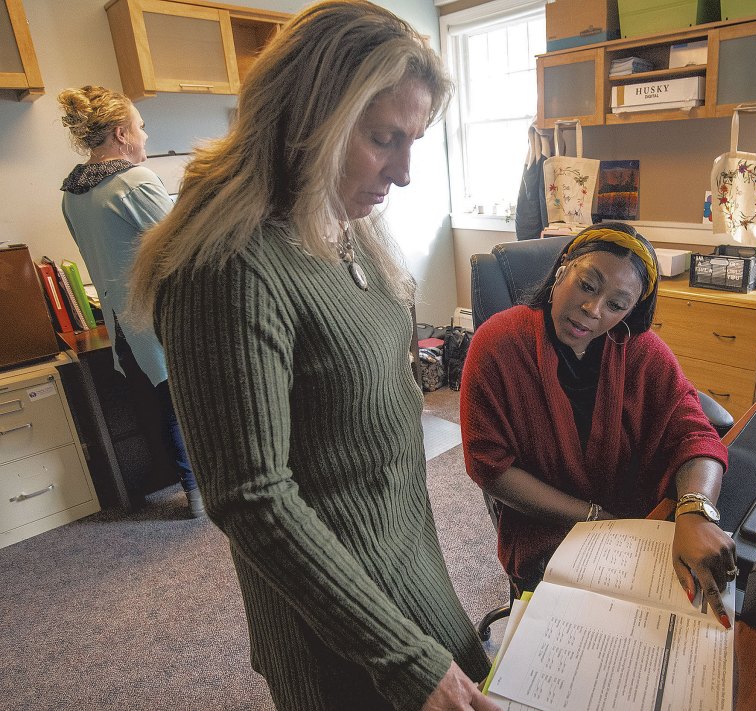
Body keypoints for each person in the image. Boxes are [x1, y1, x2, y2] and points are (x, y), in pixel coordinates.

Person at [127, 3, 497, 710]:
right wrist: (405, 659)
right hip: (338, 623)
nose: (405, 170)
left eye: (413, 139)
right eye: (385, 136)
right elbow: (253, 496)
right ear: (307, 116)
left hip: (408, 570)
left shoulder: (339, 214)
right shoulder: (228, 266)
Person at [460, 223, 737, 628]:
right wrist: (595, 518)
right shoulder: (498, 344)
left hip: (642, 529)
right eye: (588, 286)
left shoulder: (639, 350)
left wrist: (697, 510)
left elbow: (694, 432)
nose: (594, 310)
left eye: (617, 304)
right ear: (563, 268)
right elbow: (491, 468)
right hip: (549, 531)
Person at [58, 85, 204, 519]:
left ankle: (193, 488)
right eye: (141, 127)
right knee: (190, 402)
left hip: (125, 324)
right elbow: (184, 246)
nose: (145, 136)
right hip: (163, 315)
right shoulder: (133, 180)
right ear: (121, 134)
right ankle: (209, 488)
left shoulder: (73, 192)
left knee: (167, 404)